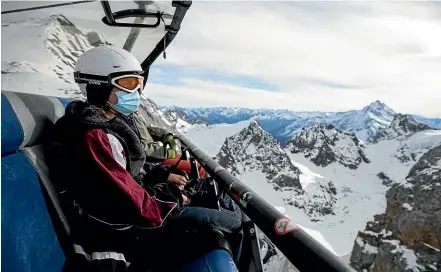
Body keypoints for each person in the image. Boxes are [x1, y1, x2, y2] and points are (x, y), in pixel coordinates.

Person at [51, 45, 242, 271]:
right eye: (128, 84)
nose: (136, 92)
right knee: (231, 224)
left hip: (133, 217)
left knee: (213, 194)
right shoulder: (93, 137)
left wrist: (162, 176)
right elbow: (129, 204)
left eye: (138, 84)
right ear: (98, 86)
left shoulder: (105, 125)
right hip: (123, 232)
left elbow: (123, 179)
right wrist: (176, 199)